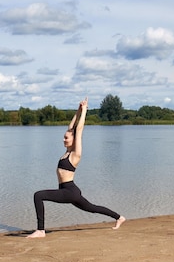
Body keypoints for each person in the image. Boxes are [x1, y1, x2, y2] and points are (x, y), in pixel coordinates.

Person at [27, 97, 126, 238]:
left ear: (74, 140)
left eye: (66, 138)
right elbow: (71, 127)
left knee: (39, 195)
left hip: (69, 191)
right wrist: (78, 110)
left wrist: (85, 110)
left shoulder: (75, 154)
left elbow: (78, 130)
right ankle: (119, 217)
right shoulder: (67, 153)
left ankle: (41, 230)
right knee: (92, 208)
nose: (63, 139)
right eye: (63, 137)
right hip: (68, 191)